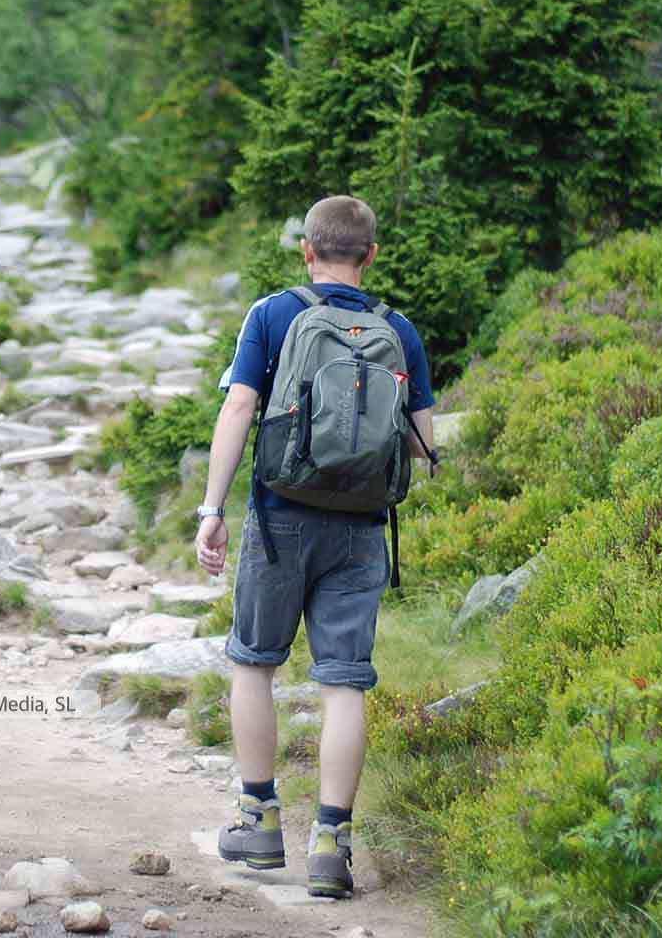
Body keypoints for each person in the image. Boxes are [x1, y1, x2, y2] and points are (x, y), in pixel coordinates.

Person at [194, 195, 437, 900]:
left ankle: (259, 822)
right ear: (371, 255)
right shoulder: (400, 329)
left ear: (307, 249)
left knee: (254, 663)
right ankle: (331, 844)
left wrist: (212, 509)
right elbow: (424, 444)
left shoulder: (273, 314)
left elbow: (239, 407)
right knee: (344, 681)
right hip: (361, 531)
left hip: (279, 517)